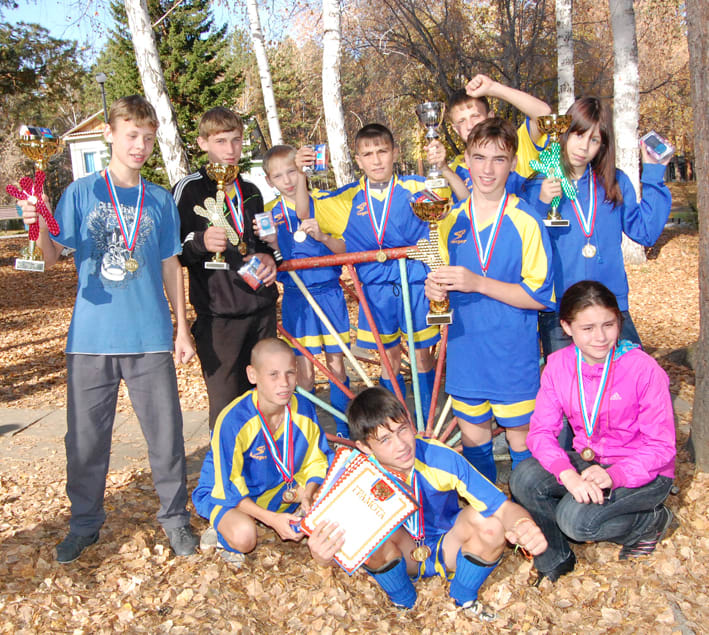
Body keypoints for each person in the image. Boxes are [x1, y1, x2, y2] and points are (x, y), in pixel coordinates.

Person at [17, 95, 199, 562]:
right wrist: (36, 223)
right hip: (90, 339)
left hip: (149, 336)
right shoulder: (81, 193)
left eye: (148, 138)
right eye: (132, 135)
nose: (140, 146)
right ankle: (84, 524)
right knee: (85, 439)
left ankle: (175, 519)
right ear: (110, 135)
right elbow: (49, 257)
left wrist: (182, 328)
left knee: (166, 436)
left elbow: (170, 264)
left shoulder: (159, 199)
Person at [307, 387, 547, 620]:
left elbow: (503, 508)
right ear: (364, 448)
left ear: (410, 422)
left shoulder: (438, 457)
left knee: (490, 524)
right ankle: (404, 602)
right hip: (403, 554)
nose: (401, 445)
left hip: (448, 545)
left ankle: (463, 599)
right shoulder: (355, 478)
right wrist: (322, 556)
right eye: (385, 440)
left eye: (403, 429)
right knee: (368, 537)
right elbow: (339, 539)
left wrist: (523, 524)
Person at [509, 280, 676, 583]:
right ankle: (556, 557)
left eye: (608, 325)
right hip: (589, 461)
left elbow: (661, 447)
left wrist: (616, 475)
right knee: (523, 478)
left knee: (575, 521)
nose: (600, 337)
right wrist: (567, 474)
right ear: (567, 327)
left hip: (643, 471)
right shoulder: (558, 366)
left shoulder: (644, 369)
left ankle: (650, 522)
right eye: (587, 328)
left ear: (619, 322)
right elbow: (541, 433)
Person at [425, 117, 555, 483]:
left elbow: (539, 296)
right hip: (465, 352)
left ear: (512, 163)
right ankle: (486, 512)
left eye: (499, 159)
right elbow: (440, 283)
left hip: (511, 355)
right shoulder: (449, 221)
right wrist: (433, 291)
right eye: (479, 158)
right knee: (474, 442)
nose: (487, 169)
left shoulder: (527, 220)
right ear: (465, 160)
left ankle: (531, 512)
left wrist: (478, 283)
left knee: (522, 445)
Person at [295, 125, 441, 420]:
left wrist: (441, 163)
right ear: (358, 160)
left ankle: (426, 421)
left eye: (382, 152)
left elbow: (450, 205)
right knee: (389, 358)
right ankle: (395, 423)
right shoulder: (348, 197)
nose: (376, 160)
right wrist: (300, 174)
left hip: (415, 283)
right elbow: (303, 211)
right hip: (375, 291)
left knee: (422, 355)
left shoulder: (417, 187)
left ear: (395, 153)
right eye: (368, 154)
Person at [521, 96, 673, 358]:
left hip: (610, 305)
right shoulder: (539, 183)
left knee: (630, 376)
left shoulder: (614, 182)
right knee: (569, 383)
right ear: (565, 132)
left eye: (594, 140)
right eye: (578, 135)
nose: (583, 147)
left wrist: (653, 174)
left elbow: (645, 233)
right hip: (560, 309)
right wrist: (542, 203)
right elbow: (524, 241)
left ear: (603, 145)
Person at [173, 107, 279, 431]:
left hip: (261, 312)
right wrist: (200, 241)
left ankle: (267, 460)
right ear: (203, 143)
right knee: (226, 409)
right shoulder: (188, 190)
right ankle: (224, 464)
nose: (230, 149)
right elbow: (172, 254)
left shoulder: (252, 191)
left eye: (236, 140)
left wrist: (270, 258)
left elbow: (261, 244)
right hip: (219, 320)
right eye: (221, 141)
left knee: (267, 401)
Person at [192, 338, 333, 562]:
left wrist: (308, 494)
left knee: (334, 489)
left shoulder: (303, 408)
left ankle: (285, 510)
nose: (284, 383)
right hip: (228, 493)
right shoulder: (233, 420)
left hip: (278, 488)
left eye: (290, 373)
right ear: (252, 375)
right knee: (244, 537)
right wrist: (272, 520)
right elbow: (229, 486)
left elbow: (317, 460)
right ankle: (221, 528)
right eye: (273, 374)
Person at [257, 145, 351, 437]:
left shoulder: (321, 202)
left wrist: (323, 236)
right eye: (278, 176)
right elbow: (273, 260)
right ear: (269, 180)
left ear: (302, 171)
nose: (287, 180)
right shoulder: (268, 214)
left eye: (292, 172)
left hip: (329, 293)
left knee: (337, 365)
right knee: (304, 370)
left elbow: (344, 248)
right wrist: (273, 243)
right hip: (297, 298)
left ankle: (343, 430)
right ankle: (310, 433)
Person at [427, 73, 552, 204]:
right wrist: (444, 169)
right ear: (455, 129)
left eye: (475, 116)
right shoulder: (452, 170)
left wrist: (493, 88)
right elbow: (468, 209)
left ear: (490, 116)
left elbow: (543, 113)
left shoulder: (514, 147)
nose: (470, 126)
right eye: (462, 121)